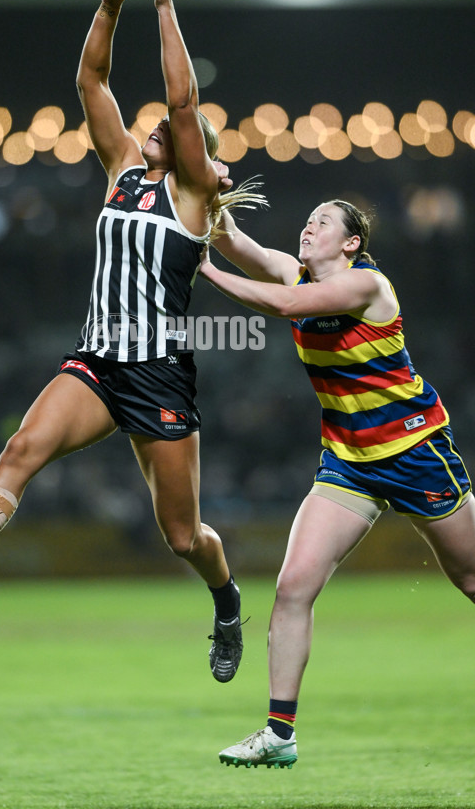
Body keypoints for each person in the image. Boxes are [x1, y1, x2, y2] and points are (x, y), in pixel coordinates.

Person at [0, 0, 260, 682]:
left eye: (171, 129)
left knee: (183, 538)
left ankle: (225, 601)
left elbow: (183, 101)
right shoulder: (123, 171)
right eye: (152, 124)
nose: (157, 124)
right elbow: (91, 78)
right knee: (21, 450)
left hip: (157, 374)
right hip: (96, 361)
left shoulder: (191, 194)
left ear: (195, 153)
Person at [198, 199, 472, 769]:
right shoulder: (296, 271)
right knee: (293, 586)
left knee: (471, 578)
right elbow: (236, 242)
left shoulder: (366, 284)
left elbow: (285, 304)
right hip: (349, 462)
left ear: (351, 244)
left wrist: (202, 270)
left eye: (323, 221)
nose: (309, 224)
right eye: (308, 217)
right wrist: (202, 200)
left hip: (416, 451)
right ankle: (279, 733)